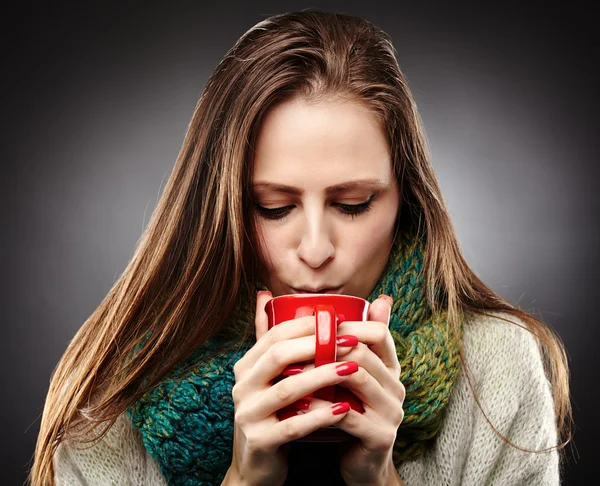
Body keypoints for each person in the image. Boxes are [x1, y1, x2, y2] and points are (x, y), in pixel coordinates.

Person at [29, 9, 572, 486]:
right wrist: (245, 479)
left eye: (354, 203)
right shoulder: (115, 389)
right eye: (273, 206)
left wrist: (378, 479)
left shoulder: (497, 366)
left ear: (406, 199)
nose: (315, 250)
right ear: (221, 208)